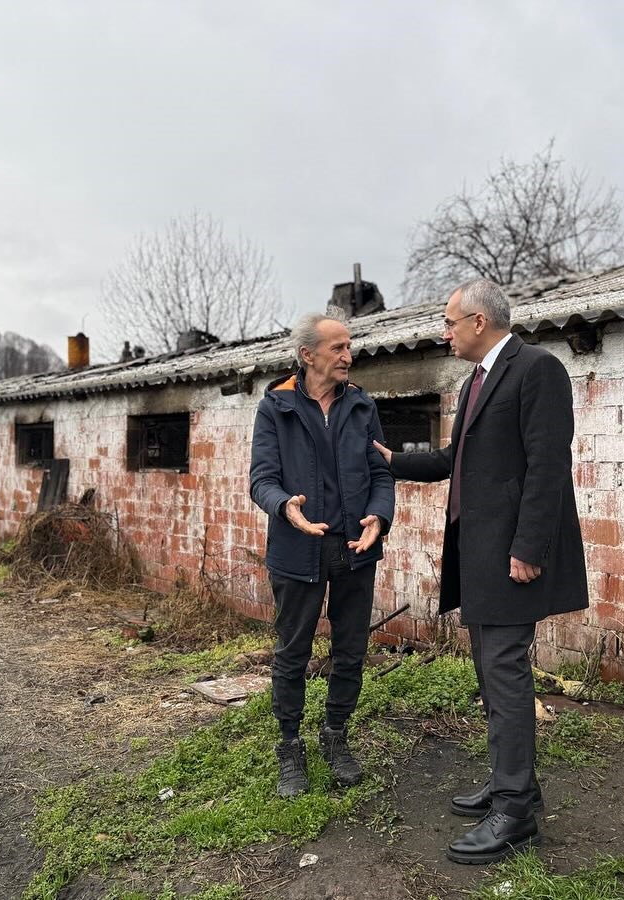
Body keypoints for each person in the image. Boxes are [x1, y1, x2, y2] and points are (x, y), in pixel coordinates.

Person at [373, 278, 587, 864]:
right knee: (491, 676)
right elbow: (453, 460)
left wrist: (529, 549)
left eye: (448, 322)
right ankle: (513, 782)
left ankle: (515, 812)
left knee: (505, 673)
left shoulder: (537, 369)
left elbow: (548, 466)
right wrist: (392, 461)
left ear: (477, 322)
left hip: (514, 557)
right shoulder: (477, 380)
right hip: (482, 556)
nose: (442, 332)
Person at [250, 311, 395, 798]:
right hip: (298, 548)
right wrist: (284, 507)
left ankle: (336, 736)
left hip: (354, 549)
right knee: (292, 651)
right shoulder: (276, 407)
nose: (347, 355)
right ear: (308, 355)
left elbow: (380, 474)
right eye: (337, 348)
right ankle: (290, 747)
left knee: (350, 650)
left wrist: (379, 514)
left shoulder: (362, 407)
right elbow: (261, 480)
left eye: (349, 347)